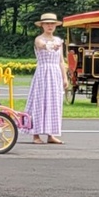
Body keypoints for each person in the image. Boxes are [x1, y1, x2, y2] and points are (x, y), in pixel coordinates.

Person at [26, 13, 67, 145]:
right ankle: (35, 135)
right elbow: (41, 45)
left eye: (52, 24)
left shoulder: (58, 40)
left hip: (55, 73)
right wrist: (49, 46)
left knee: (54, 102)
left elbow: (61, 61)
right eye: (47, 24)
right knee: (39, 102)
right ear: (42, 25)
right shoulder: (39, 39)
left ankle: (51, 134)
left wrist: (64, 77)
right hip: (43, 72)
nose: (50, 26)